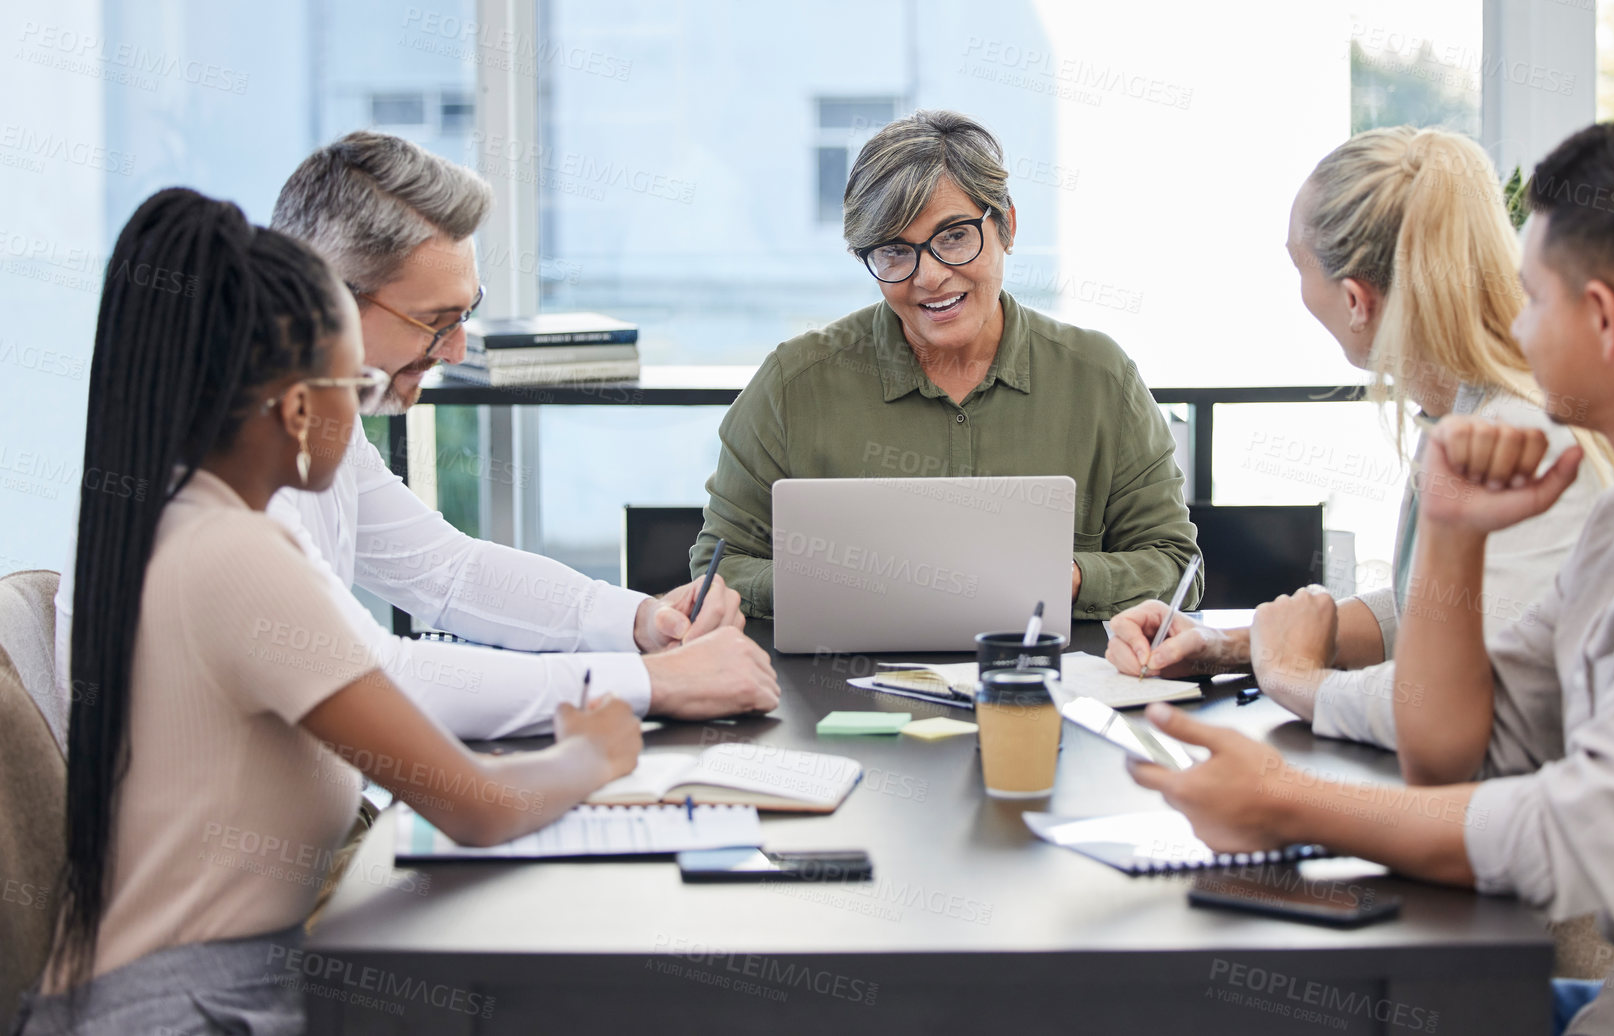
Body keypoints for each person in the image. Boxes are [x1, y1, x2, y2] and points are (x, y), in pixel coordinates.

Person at [1127, 118, 1614, 1035]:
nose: (1512, 325)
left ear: (1602, 319)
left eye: (1531, 297)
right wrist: (1455, 538)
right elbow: (1462, 743)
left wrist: (1285, 801)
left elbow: (1580, 838)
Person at [21, 189, 641, 1034]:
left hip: (191, 985)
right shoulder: (235, 556)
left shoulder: (175, 518)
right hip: (195, 1006)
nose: (370, 406)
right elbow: (475, 804)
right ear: (299, 407)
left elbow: (448, 571)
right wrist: (594, 751)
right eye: (356, 381)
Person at [48, 131, 778, 745]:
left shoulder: (305, 436)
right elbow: (383, 676)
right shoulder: (228, 498)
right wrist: (649, 684)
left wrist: (640, 621)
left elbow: (448, 572)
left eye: (469, 313)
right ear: (325, 295)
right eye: (438, 321)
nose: (458, 351)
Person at [1106, 127, 1614, 784]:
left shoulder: (1526, 440)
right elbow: (1434, 612)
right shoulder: (1466, 415)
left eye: (1298, 267)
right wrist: (1227, 646)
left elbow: (1474, 713)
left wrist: (1294, 676)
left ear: (1355, 300)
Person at [691, 109, 1200, 620]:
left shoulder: (1101, 379)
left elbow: (1177, 569)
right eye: (894, 250)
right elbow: (720, 569)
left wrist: (1064, 578)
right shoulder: (792, 385)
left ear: (1007, 225)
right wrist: (838, 583)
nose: (930, 277)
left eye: (954, 235)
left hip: (1047, 688)